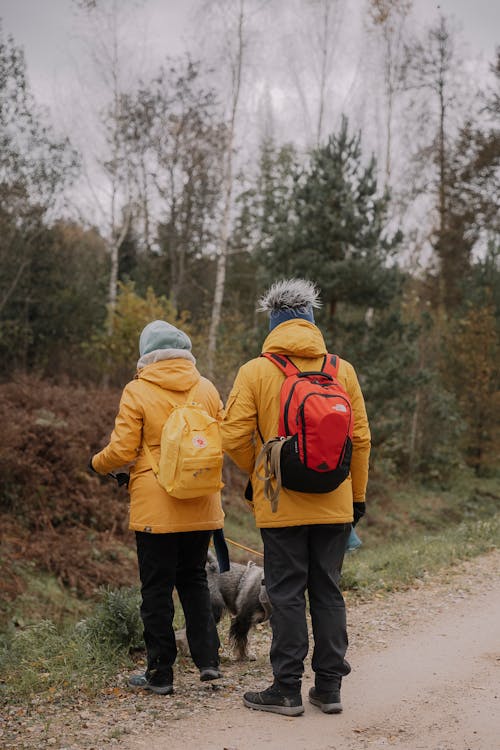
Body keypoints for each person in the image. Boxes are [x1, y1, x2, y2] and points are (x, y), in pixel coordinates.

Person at [221, 279, 370, 716]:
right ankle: (329, 688)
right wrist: (356, 497)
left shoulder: (255, 370)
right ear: (311, 321)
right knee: (328, 591)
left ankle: (285, 689)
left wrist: (264, 466)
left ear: (273, 323)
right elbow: (360, 439)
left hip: (280, 505)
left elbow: (231, 434)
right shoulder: (342, 369)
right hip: (336, 502)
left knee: (285, 593)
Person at [90, 320, 224, 695]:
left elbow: (121, 450)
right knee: (195, 578)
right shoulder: (207, 388)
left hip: (157, 506)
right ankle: (209, 662)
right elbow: (222, 437)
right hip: (201, 501)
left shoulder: (137, 390)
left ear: (145, 354)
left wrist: (97, 463)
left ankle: (160, 673)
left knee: (157, 587)